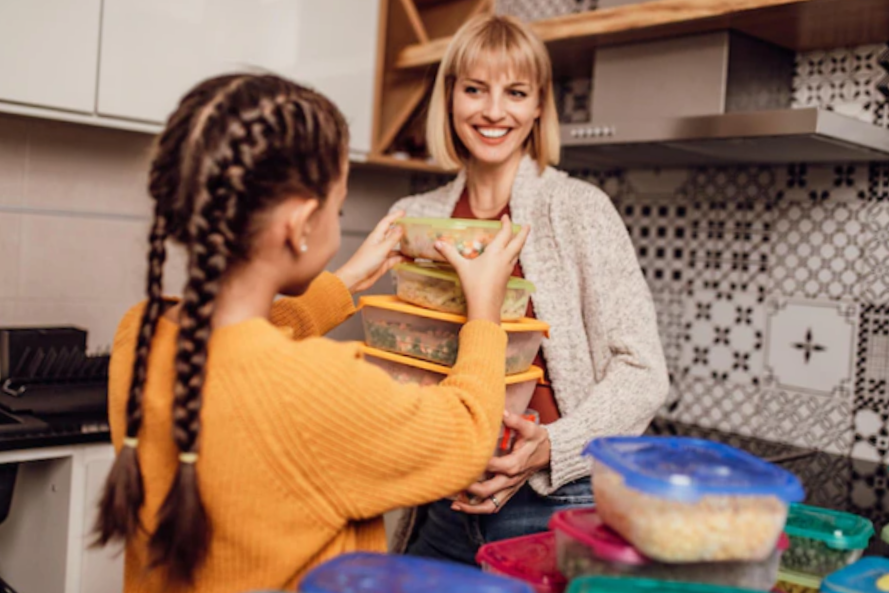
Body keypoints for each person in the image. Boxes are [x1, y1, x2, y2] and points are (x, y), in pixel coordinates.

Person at [92, 73, 529, 593]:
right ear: (300, 224)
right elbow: (467, 433)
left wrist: (343, 284)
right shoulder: (315, 389)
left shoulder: (138, 336)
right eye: (338, 208)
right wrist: (485, 307)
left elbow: (241, 350)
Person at [390, 14, 669, 563]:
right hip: (437, 503)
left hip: (554, 502)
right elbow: (403, 367)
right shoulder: (414, 218)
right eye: (475, 89)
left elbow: (643, 372)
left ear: (539, 106)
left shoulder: (580, 211)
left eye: (515, 92)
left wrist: (552, 447)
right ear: (449, 98)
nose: (494, 111)